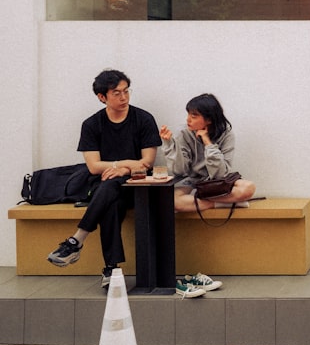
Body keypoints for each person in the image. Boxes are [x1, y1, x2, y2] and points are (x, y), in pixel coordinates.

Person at [46, 69, 161, 290]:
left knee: (110, 188)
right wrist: (124, 165)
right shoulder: (92, 124)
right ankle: (111, 269)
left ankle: (79, 241)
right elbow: (93, 166)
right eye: (117, 93)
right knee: (110, 199)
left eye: (126, 91)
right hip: (105, 187)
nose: (124, 97)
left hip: (136, 185)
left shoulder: (144, 119)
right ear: (102, 97)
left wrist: (123, 170)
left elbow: (146, 162)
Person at [158, 93, 257, 296]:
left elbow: (221, 173)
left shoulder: (227, 134)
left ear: (209, 119)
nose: (188, 119)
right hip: (191, 181)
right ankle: (224, 203)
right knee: (172, 201)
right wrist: (169, 145)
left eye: (194, 116)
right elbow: (179, 170)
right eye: (188, 114)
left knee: (248, 188)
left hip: (215, 182)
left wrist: (207, 142)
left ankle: (213, 201)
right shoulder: (184, 133)